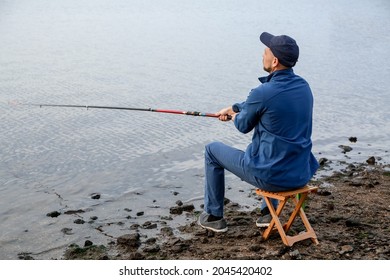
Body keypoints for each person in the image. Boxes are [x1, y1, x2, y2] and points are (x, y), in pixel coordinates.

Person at [198, 32, 319, 232]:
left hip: (272, 178)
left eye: (265, 52)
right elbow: (267, 103)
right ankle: (266, 214)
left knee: (212, 150)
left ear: (274, 61)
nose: (262, 55)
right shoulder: (303, 87)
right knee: (276, 147)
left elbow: (243, 126)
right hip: (300, 173)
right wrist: (235, 107)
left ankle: (213, 216)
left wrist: (235, 116)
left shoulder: (262, 93)